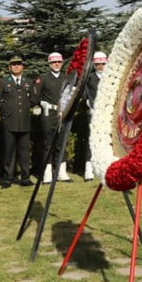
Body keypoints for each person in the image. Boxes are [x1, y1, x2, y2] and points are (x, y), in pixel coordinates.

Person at [0, 56, 39, 188]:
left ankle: (25, 178)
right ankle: (8, 179)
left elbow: (34, 99)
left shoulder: (29, 82)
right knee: (9, 151)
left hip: (24, 121)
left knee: (24, 152)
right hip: (9, 121)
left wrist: (25, 108)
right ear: (9, 67)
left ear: (22, 67)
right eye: (13, 65)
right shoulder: (2, 82)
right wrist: (7, 109)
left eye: (18, 64)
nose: (16, 66)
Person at [34, 51, 72, 183]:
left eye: (59, 62)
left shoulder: (65, 78)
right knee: (48, 144)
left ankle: (61, 173)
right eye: (54, 62)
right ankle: (47, 174)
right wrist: (41, 103)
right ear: (49, 64)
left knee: (61, 144)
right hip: (49, 114)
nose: (56, 64)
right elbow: (35, 96)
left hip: (63, 113)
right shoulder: (43, 78)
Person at [76, 50, 107, 182]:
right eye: (97, 64)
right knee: (92, 139)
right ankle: (89, 169)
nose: (100, 66)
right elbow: (83, 92)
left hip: (107, 113)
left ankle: (105, 167)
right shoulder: (90, 78)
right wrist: (88, 102)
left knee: (107, 140)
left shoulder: (110, 77)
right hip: (93, 113)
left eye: (102, 64)